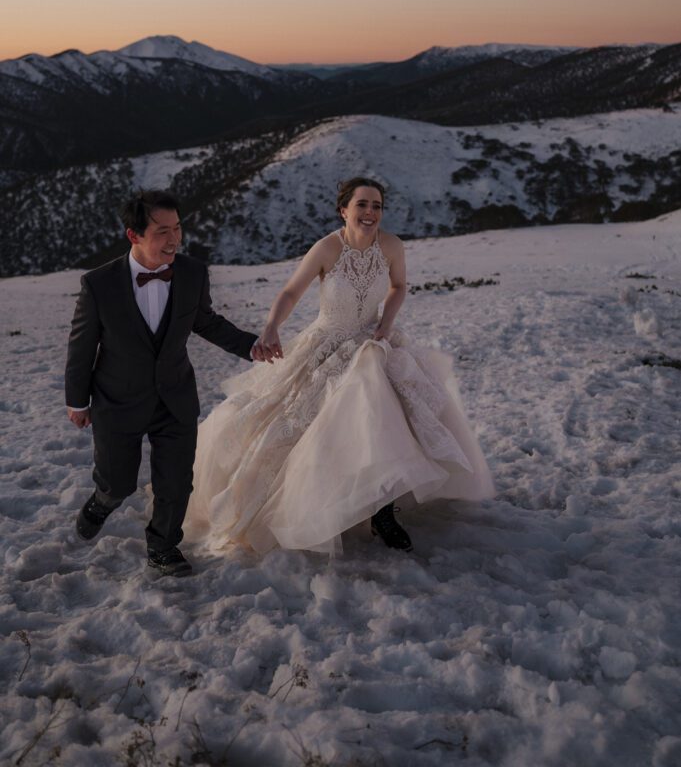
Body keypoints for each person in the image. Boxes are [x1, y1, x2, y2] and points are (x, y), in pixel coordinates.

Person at [186, 177, 494, 556]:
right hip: (326, 344)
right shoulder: (327, 248)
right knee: (308, 424)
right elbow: (290, 292)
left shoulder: (392, 246)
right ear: (343, 210)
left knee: (386, 414)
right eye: (362, 204)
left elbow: (399, 286)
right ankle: (334, 502)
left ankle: (382, 510)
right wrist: (270, 327)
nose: (370, 213)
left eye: (377, 205)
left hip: (374, 342)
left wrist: (387, 323)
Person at [64, 189, 259, 577]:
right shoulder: (98, 285)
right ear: (133, 235)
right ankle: (103, 500)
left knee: (175, 483)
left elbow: (205, 321)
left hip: (175, 396)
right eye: (162, 231)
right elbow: (82, 345)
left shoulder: (192, 272)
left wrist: (252, 346)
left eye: (178, 229)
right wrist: (77, 401)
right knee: (118, 481)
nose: (173, 240)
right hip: (116, 400)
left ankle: (163, 546)